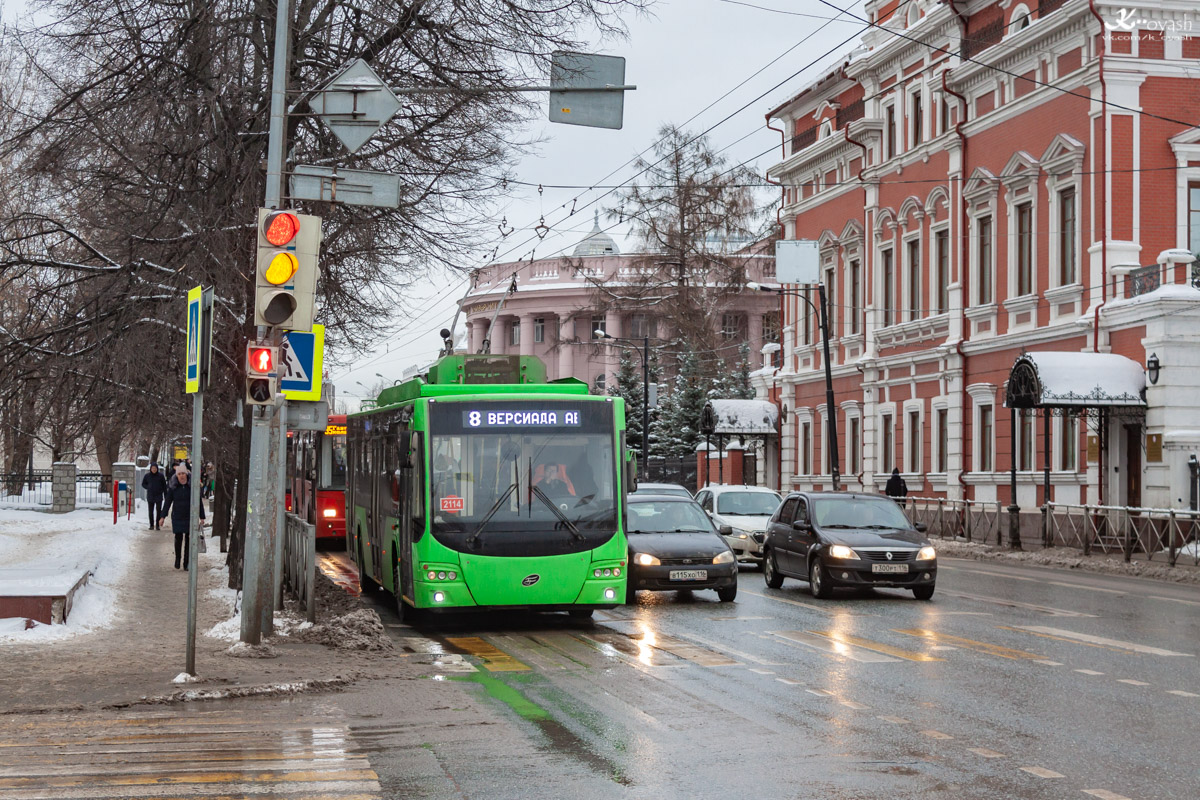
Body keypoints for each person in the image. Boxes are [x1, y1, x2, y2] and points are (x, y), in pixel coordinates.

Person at [159, 466, 204, 569]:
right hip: (177, 516)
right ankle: (178, 559)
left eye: (183, 474)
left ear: (186, 474)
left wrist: (201, 516)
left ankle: (186, 563)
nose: (181, 476)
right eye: (179, 474)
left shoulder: (192, 486)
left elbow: (199, 502)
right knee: (178, 538)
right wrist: (162, 517)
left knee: (189, 539)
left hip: (190, 516)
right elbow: (167, 502)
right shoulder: (173, 487)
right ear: (177, 476)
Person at [141, 463, 168, 530]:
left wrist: (165, 495)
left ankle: (157, 525)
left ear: (157, 469)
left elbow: (164, 486)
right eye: (152, 468)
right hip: (150, 495)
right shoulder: (147, 476)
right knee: (151, 511)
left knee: (158, 510)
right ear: (150, 469)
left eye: (155, 468)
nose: (154, 470)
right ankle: (151, 525)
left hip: (159, 496)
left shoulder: (161, 476)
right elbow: (143, 484)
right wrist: (148, 487)